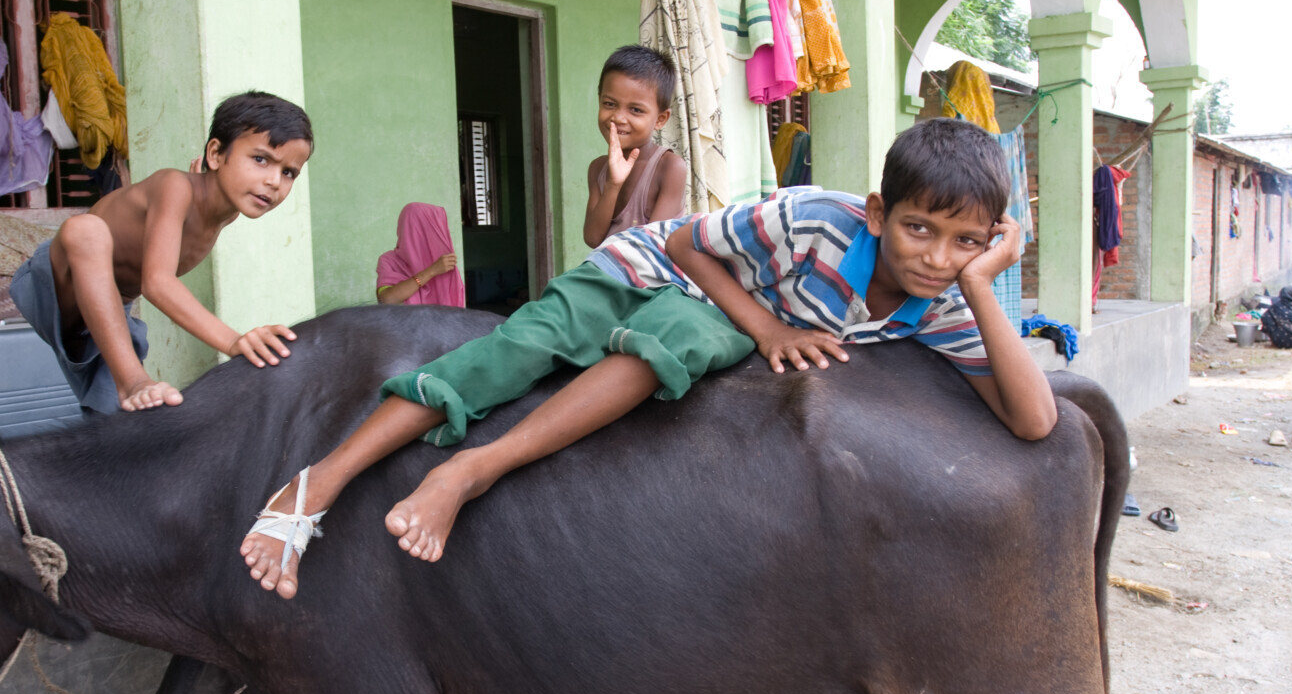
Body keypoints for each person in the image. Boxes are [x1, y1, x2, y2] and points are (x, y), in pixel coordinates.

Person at [240, 117, 1058, 599]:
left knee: (681, 343)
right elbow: (691, 245)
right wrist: (771, 332)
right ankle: (322, 479)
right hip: (656, 268)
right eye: (921, 229)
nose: (936, 256)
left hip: (711, 320)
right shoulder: (816, 218)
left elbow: (1034, 419)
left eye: (967, 243)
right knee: (513, 349)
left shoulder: (951, 295)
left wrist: (987, 285)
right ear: (880, 212)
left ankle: (470, 469)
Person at [10, 91, 313, 413]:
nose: (273, 181)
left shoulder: (228, 208)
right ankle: (133, 381)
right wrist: (232, 341)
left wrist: (206, 180)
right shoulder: (174, 187)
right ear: (215, 154)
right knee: (86, 230)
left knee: (121, 426)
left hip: (105, 315)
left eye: (288, 172)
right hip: (54, 285)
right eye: (261, 159)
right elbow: (156, 282)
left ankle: (126, 397)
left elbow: (201, 198)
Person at [582, 45, 687, 247]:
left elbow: (650, 246)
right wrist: (613, 184)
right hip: (607, 270)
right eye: (609, 104)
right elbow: (593, 239)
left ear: (660, 119)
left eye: (636, 110)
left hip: (650, 274)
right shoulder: (597, 169)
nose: (618, 118)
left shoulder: (670, 168)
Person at [376, 202, 464, 306]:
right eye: (435, 228)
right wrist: (431, 271)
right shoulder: (389, 260)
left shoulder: (444, 264)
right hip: (406, 322)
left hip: (441, 322)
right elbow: (387, 299)